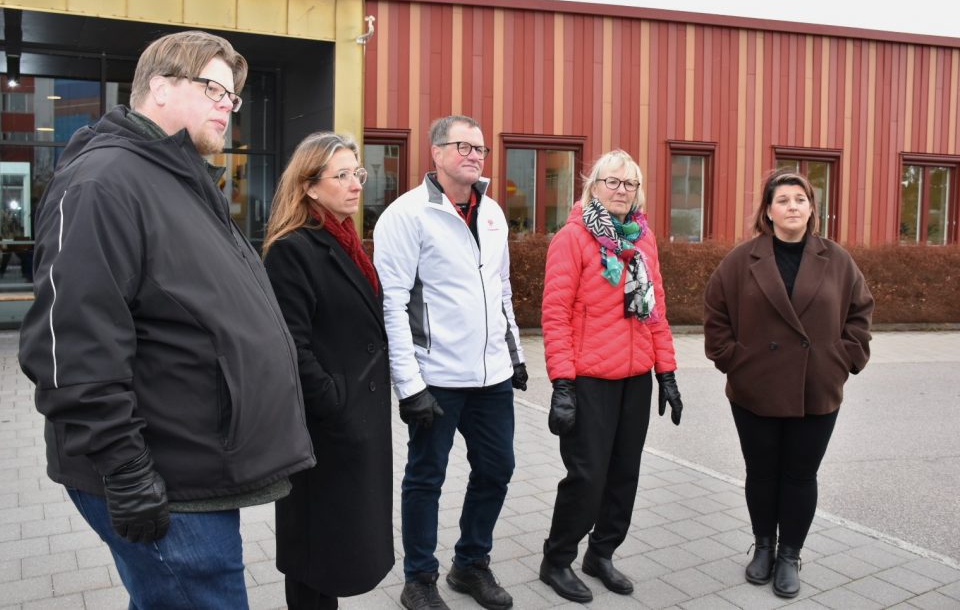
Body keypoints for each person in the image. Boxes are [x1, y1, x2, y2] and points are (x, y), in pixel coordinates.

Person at [18, 30, 315, 609]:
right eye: (214, 90)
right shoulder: (104, 182)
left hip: (189, 466)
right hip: (159, 478)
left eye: (232, 98)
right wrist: (127, 472)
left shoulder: (176, 178)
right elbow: (69, 347)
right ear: (158, 86)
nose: (228, 107)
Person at [373, 115, 528, 610]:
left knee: (497, 469)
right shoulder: (407, 214)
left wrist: (515, 353)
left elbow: (500, 288)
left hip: (491, 376)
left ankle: (470, 564)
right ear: (436, 153)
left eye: (480, 148)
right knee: (426, 477)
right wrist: (409, 384)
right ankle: (419, 577)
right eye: (462, 146)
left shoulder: (493, 213)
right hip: (436, 377)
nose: (473, 155)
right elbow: (391, 302)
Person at [703, 169, 873, 599]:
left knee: (800, 475)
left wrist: (844, 358)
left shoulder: (836, 259)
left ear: (812, 208)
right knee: (761, 473)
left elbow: (861, 311)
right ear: (767, 210)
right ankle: (763, 546)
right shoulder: (742, 260)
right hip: (754, 388)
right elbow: (716, 311)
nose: (792, 207)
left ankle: (790, 555)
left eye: (800, 199)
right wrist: (734, 361)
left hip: (816, 388)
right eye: (783, 200)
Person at [538, 149, 682, 603]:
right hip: (589, 379)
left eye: (630, 184)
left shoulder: (643, 240)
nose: (622, 191)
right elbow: (555, 315)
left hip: (635, 377)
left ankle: (601, 553)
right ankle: (556, 559)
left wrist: (668, 373)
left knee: (625, 474)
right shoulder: (573, 238)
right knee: (587, 476)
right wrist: (562, 384)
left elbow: (655, 310)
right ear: (593, 186)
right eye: (613, 182)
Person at [261, 132, 394, 609]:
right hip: (324, 429)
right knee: (313, 552)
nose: (357, 183)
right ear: (310, 186)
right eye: (342, 175)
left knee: (338, 545)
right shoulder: (292, 249)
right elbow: (288, 345)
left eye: (358, 173)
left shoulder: (345, 240)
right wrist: (334, 400)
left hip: (354, 419)